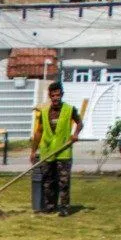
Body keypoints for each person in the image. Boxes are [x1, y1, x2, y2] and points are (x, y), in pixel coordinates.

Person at [31, 80, 83, 216]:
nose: (55, 98)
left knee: (63, 182)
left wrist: (75, 134)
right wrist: (33, 151)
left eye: (58, 95)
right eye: (53, 95)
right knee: (48, 181)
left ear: (62, 95)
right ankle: (50, 206)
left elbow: (79, 123)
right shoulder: (44, 112)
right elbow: (39, 132)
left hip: (63, 152)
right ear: (50, 96)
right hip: (47, 151)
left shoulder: (70, 109)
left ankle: (64, 208)